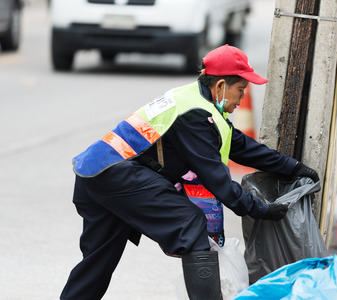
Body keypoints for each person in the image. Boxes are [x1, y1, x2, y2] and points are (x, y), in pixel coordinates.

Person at [60, 44, 319, 300]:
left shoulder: (196, 102)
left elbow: (240, 146)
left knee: (98, 262)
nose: (242, 98)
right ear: (219, 86)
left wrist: (293, 168)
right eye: (240, 90)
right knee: (191, 225)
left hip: (93, 172)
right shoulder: (194, 116)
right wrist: (261, 209)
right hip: (118, 174)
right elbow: (216, 179)